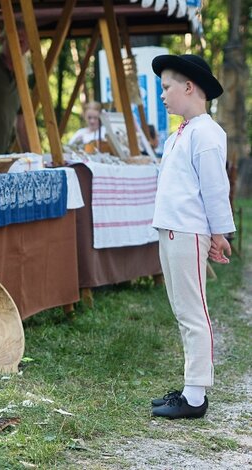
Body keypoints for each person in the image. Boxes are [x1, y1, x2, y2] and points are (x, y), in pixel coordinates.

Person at [150, 54, 235, 419]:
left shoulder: (207, 133)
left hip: (188, 230)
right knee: (182, 309)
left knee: (193, 311)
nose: (162, 95)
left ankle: (196, 396)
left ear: (189, 87)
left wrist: (219, 233)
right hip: (171, 229)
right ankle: (190, 387)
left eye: (167, 87)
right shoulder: (180, 134)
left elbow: (215, 189)